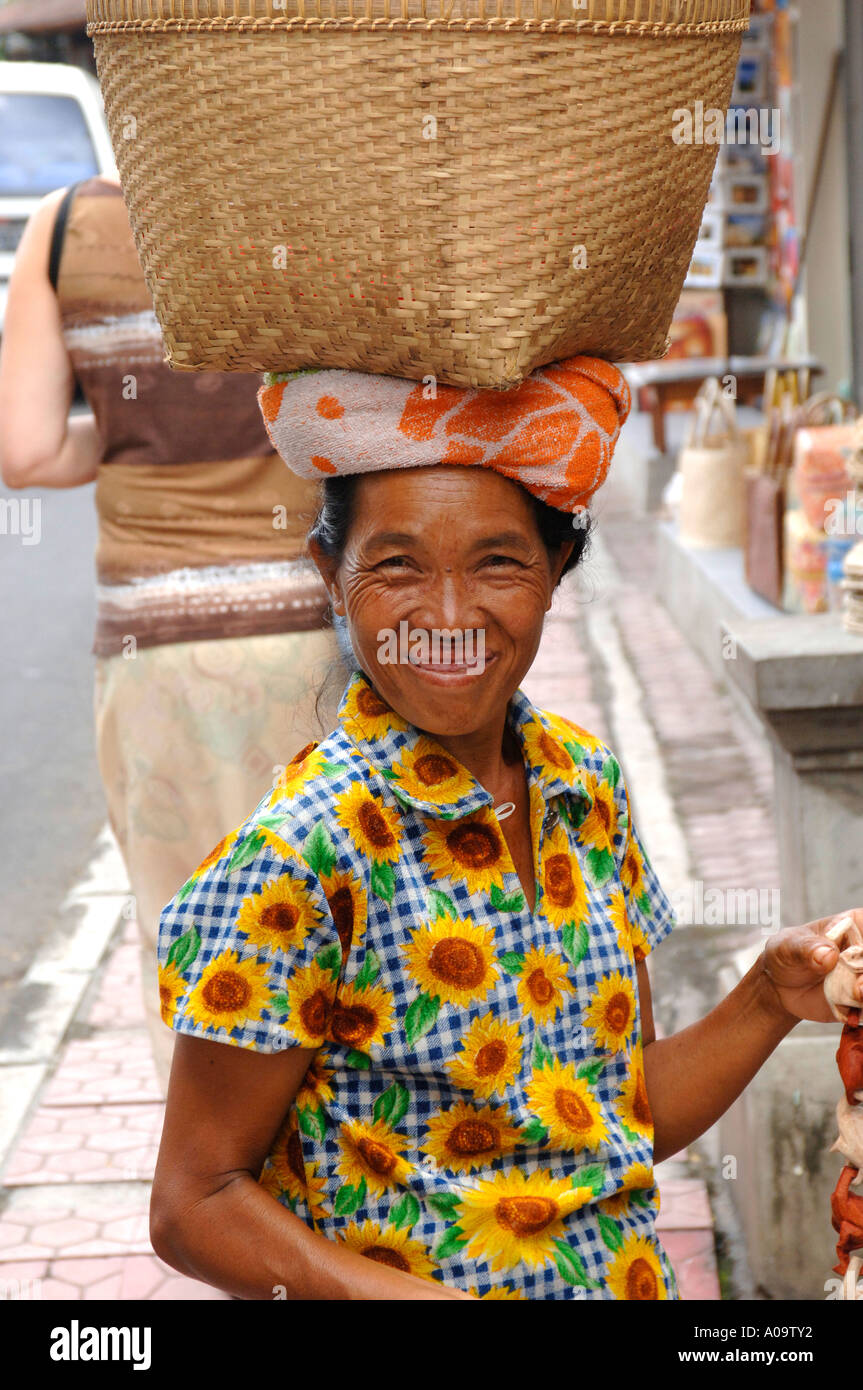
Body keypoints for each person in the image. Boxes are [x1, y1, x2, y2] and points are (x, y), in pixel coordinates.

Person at [149, 357, 863, 1300]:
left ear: (559, 565)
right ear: (330, 573)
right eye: (396, 564)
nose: (447, 616)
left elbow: (614, 1114)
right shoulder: (298, 859)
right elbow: (193, 1202)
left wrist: (770, 996)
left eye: (498, 561)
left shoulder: (583, 784)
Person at [0, 177, 340, 1095]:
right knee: (336, 936)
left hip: (155, 654)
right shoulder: (322, 199)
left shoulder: (65, 228)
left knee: (190, 945)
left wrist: (122, 437)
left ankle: (217, 1206)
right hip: (314, 637)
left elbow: (24, 451)